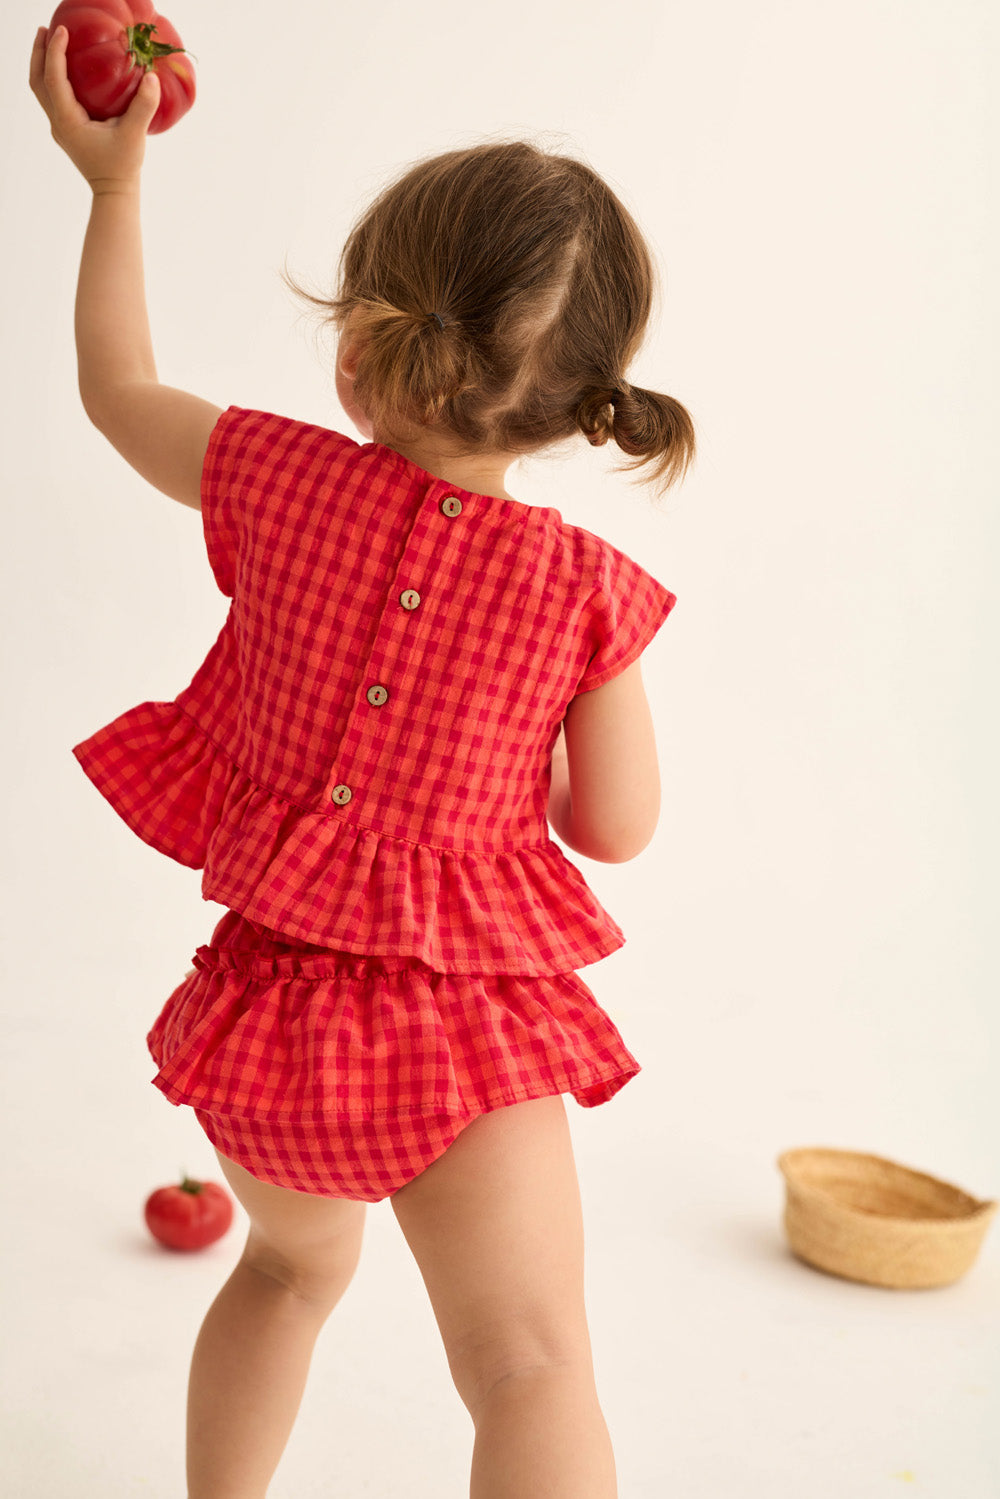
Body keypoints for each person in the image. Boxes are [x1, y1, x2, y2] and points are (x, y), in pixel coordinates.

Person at [31, 23, 695, 1499]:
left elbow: (114, 383)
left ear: (361, 341)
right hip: (470, 1043)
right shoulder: (584, 593)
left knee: (278, 1278)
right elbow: (620, 830)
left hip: (271, 1032)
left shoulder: (270, 478)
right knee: (529, 1365)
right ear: (585, 405)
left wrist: (115, 189)